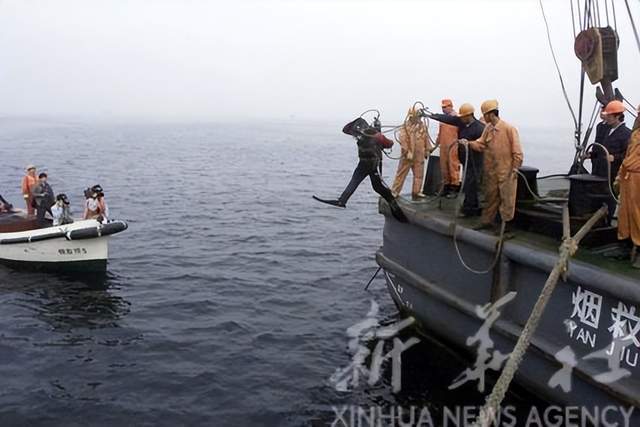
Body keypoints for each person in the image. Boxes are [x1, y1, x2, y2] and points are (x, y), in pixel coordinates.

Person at [313, 117, 408, 223]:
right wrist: (378, 133)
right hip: (371, 165)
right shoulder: (377, 135)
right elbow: (390, 144)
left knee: (358, 182)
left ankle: (342, 200)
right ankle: (394, 206)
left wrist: (356, 122)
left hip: (363, 164)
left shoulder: (359, 135)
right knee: (376, 187)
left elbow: (345, 129)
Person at [461, 99, 523, 231]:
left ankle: (505, 226)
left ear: (491, 114)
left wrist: (515, 169)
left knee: (507, 199)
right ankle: (487, 221)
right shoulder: (488, 128)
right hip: (491, 171)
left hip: (506, 171)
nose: (483, 117)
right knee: (491, 196)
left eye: (485, 114)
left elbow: (517, 152)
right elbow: (481, 144)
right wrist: (468, 143)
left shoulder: (509, 129)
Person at [425, 103, 486, 215]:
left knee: (470, 184)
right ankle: (473, 206)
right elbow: (449, 119)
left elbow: (483, 146)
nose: (461, 118)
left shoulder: (480, 128)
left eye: (463, 116)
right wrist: (431, 115)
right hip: (465, 160)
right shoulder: (462, 123)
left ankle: (470, 209)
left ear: (470, 115)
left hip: (475, 161)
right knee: (469, 184)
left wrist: (469, 144)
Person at [593, 100, 631, 223]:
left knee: (610, 197)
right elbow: (601, 148)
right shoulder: (606, 130)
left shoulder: (626, 134)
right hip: (600, 171)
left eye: (609, 115)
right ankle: (598, 220)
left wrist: (615, 158)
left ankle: (607, 221)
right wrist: (591, 155)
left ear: (618, 116)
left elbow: (628, 155)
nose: (607, 117)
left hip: (613, 173)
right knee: (598, 196)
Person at [615, 108, 640, 268]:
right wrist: (619, 175)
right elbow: (628, 156)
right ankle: (624, 244)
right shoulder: (635, 135)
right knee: (625, 213)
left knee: (638, 213)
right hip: (627, 177)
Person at [391, 106, 431, 200]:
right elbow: (403, 140)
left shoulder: (422, 126)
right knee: (401, 173)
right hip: (408, 156)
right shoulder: (405, 127)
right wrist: (407, 151)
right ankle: (395, 191)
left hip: (419, 155)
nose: (419, 118)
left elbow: (426, 138)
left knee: (419, 174)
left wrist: (427, 150)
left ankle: (417, 192)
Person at [436, 99, 461, 197]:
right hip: (443, 146)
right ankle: (446, 186)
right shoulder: (442, 120)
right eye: (442, 107)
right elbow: (440, 134)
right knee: (444, 167)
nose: (443, 109)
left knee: (453, 166)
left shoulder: (457, 118)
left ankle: (454, 188)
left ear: (451, 106)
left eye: (445, 107)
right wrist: (435, 145)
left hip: (453, 146)